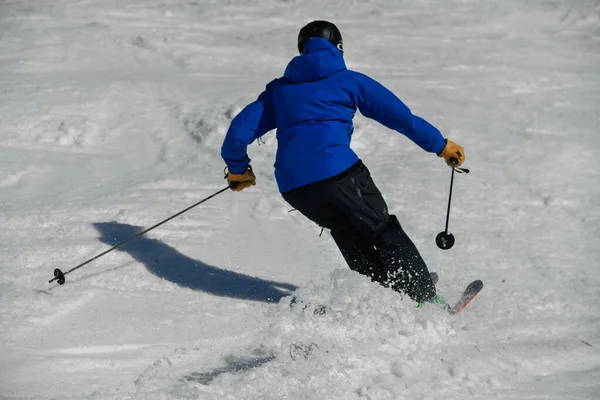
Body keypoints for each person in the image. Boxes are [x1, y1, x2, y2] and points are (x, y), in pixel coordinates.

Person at [220, 21, 465, 305]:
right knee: (382, 229)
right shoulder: (348, 81)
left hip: (294, 187)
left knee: (347, 232)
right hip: (339, 174)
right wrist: (441, 145)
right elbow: (401, 118)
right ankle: (425, 299)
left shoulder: (279, 91)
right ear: (339, 48)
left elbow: (237, 133)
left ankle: (384, 297)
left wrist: (238, 171)